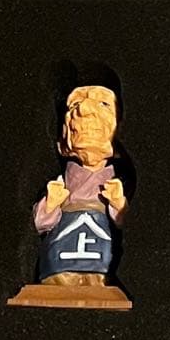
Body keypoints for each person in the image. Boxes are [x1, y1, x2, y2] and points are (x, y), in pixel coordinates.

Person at [31, 85, 127, 289]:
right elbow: (40, 224)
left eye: (103, 104)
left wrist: (119, 204)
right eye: (75, 105)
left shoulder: (118, 183)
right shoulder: (61, 183)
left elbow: (128, 223)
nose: (84, 109)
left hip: (103, 257)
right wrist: (51, 204)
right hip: (60, 256)